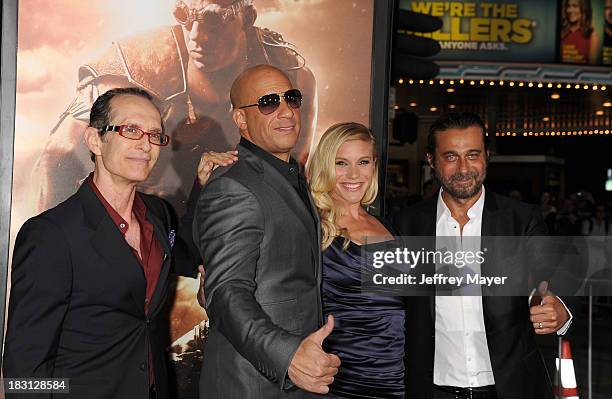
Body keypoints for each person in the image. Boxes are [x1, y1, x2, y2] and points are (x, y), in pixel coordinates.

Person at [3, 87, 205, 399]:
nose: (145, 144)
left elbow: (187, 258)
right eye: (131, 130)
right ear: (95, 140)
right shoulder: (51, 235)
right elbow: (23, 374)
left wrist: (202, 187)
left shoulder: (158, 214)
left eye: (155, 134)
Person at [32, 0, 316, 214]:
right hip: (139, 223)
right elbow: (56, 159)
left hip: (236, 223)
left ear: (247, 17)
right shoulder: (135, 68)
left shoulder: (290, 73)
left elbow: (292, 177)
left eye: (213, 19)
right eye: (185, 16)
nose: (197, 35)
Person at [394, 112, 572, 399]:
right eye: (451, 156)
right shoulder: (405, 225)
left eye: (473, 155)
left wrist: (559, 307)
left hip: (510, 388)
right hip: (429, 390)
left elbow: (550, 278)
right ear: (431, 160)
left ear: (487, 156)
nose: (464, 168)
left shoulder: (522, 219)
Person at [194, 64, 339, 398]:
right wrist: (289, 356)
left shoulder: (289, 174)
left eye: (291, 98)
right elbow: (226, 292)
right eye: (268, 102)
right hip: (251, 383)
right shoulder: (233, 186)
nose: (286, 110)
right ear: (241, 120)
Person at [307, 123, 405, 398]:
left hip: (397, 376)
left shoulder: (390, 226)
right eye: (341, 163)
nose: (353, 174)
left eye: (363, 162)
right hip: (343, 379)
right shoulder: (314, 227)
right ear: (325, 165)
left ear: (374, 165)